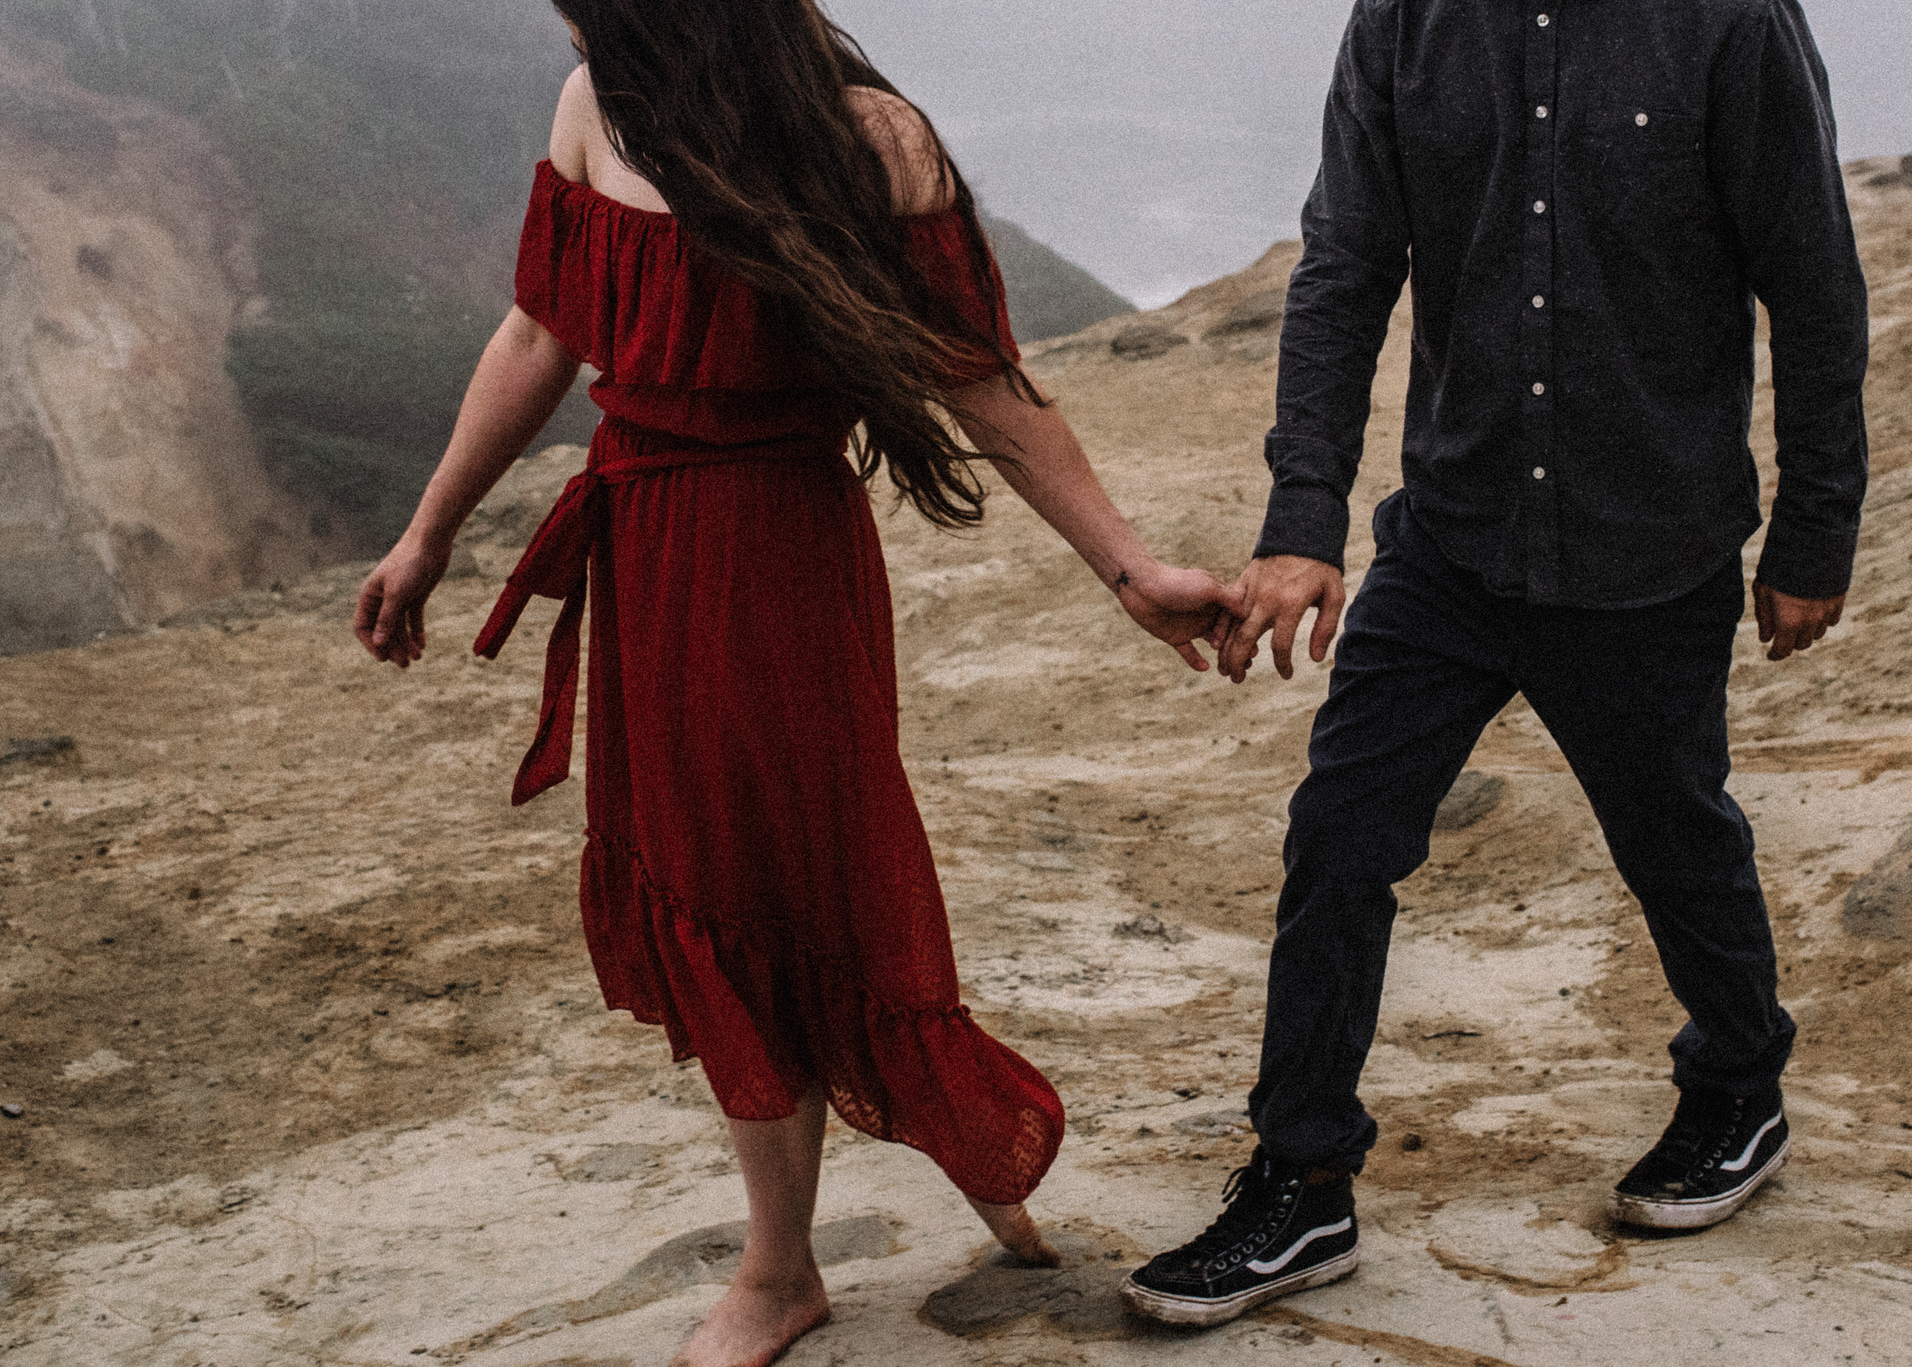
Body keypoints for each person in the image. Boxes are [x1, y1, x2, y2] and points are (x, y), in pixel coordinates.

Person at [352, 2, 1241, 1362]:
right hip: (645, 541)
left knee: (797, 881)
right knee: (707, 881)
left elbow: (983, 383)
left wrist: (1131, 575)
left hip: (780, 550)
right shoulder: (597, 103)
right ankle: (806, 1241)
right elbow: (542, 333)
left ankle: (791, 1263)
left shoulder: (872, 138)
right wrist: (429, 534)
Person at [1122, 0, 1869, 1330]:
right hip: (1453, 542)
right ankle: (1303, 1176)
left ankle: (1740, 1087)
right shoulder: (1404, 18)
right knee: (1339, 836)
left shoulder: (1727, 20)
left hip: (1652, 544)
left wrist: (1815, 529)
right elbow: (1348, 264)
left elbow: (1811, 278)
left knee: (1674, 832)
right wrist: (1303, 522)